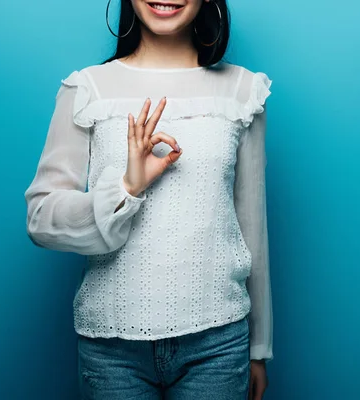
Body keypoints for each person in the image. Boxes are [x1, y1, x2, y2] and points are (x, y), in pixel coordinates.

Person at [23, 0, 273, 399]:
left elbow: (251, 226)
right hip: (111, 349)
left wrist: (258, 348)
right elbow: (41, 218)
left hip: (219, 344)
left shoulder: (242, 91)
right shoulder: (87, 89)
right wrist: (125, 187)